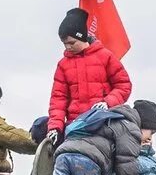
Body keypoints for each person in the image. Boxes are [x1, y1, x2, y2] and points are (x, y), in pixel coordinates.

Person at [46, 7, 132, 136]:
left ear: (82, 37)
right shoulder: (63, 65)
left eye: (72, 42)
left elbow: (124, 85)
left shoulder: (106, 56)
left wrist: (108, 102)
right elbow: (58, 99)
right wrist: (55, 127)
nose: (68, 47)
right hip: (74, 127)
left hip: (103, 123)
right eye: (64, 43)